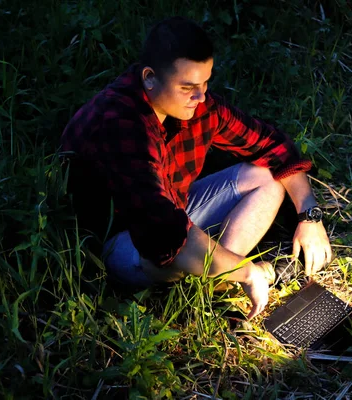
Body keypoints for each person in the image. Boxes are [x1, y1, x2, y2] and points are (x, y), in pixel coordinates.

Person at [60, 17, 332, 319]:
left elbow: (274, 146)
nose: (200, 96)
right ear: (149, 77)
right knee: (163, 260)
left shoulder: (198, 106)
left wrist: (309, 215)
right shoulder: (121, 123)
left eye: (205, 83)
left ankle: (217, 279)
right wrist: (246, 271)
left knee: (267, 176)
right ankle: (229, 276)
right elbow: (162, 232)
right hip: (122, 238)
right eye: (188, 86)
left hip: (174, 212)